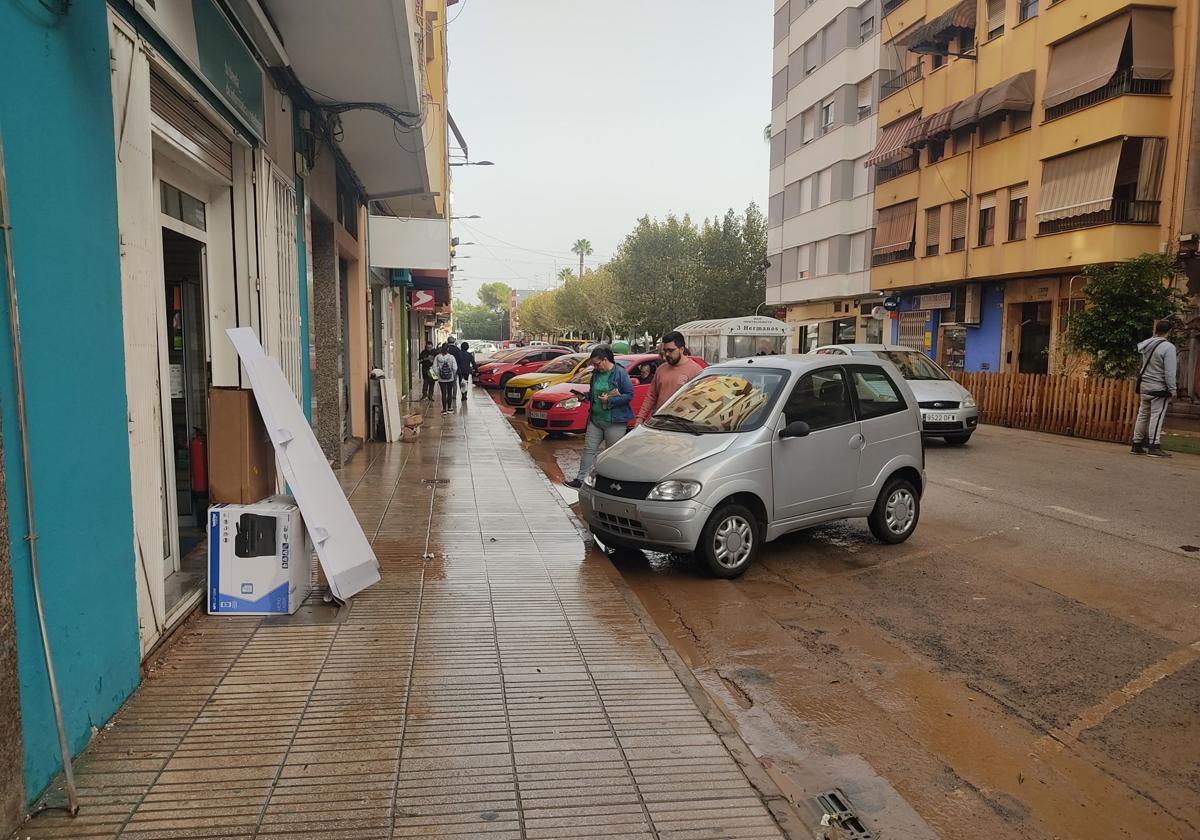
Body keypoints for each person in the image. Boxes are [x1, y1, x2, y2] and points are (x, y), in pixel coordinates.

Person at [565, 346, 634, 489]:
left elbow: (629, 395)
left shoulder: (620, 373)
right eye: (593, 364)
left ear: (605, 360)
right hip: (596, 419)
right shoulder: (596, 374)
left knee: (611, 454)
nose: (595, 367)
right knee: (589, 450)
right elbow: (594, 392)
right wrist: (585, 397)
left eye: (597, 363)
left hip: (614, 421)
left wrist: (610, 400)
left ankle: (611, 483)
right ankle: (580, 479)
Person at [1131, 319, 1179, 457]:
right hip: (1159, 386)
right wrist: (1172, 389)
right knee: (1156, 416)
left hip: (1145, 384)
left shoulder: (1146, 344)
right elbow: (1170, 372)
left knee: (1143, 414)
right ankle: (1154, 446)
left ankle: (1137, 443)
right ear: (1169, 332)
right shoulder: (1168, 347)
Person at [635, 331, 704, 426]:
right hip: (659, 422)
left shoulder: (696, 371)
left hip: (684, 426)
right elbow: (651, 396)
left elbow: (701, 401)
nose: (667, 354)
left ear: (682, 349)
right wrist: (640, 419)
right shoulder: (661, 370)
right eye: (665, 350)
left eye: (671, 350)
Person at [434, 344, 458, 415]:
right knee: (450, 393)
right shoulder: (451, 357)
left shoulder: (437, 357)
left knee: (444, 393)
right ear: (448, 349)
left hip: (441, 379)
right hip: (450, 378)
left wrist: (438, 374)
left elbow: (434, 367)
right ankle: (450, 408)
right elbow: (455, 368)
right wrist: (452, 375)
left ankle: (444, 409)